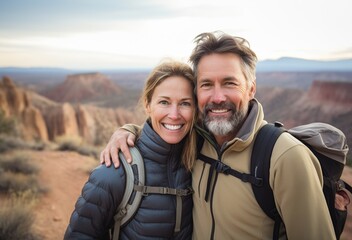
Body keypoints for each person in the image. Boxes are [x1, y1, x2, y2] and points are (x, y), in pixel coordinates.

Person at [100, 32, 336, 239]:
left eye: (229, 83)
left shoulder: (285, 157)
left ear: (251, 88)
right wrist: (126, 132)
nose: (217, 97)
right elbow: (164, 127)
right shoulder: (196, 140)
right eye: (206, 85)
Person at [64, 60, 197, 239]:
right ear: (148, 105)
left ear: (196, 108)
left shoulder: (199, 160)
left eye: (185, 103)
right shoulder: (113, 172)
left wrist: (128, 129)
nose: (174, 114)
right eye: (164, 102)